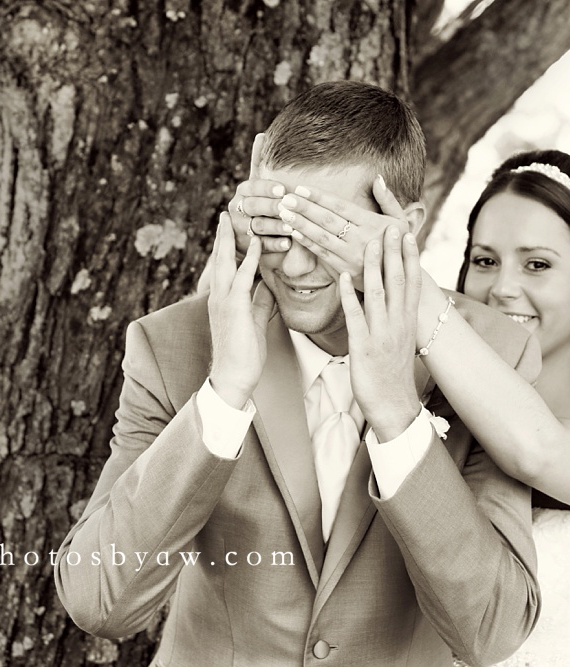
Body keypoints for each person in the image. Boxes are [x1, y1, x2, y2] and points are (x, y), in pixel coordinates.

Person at [54, 81, 543, 667]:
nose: (295, 262)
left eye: (327, 232)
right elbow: (97, 601)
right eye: (281, 224)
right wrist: (224, 394)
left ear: (404, 226)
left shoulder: (493, 358)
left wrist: (397, 417)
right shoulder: (172, 345)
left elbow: (492, 631)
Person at [272, 148, 570, 666]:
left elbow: (537, 451)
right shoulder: (419, 409)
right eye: (484, 260)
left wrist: (399, 272)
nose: (502, 288)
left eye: (537, 264)